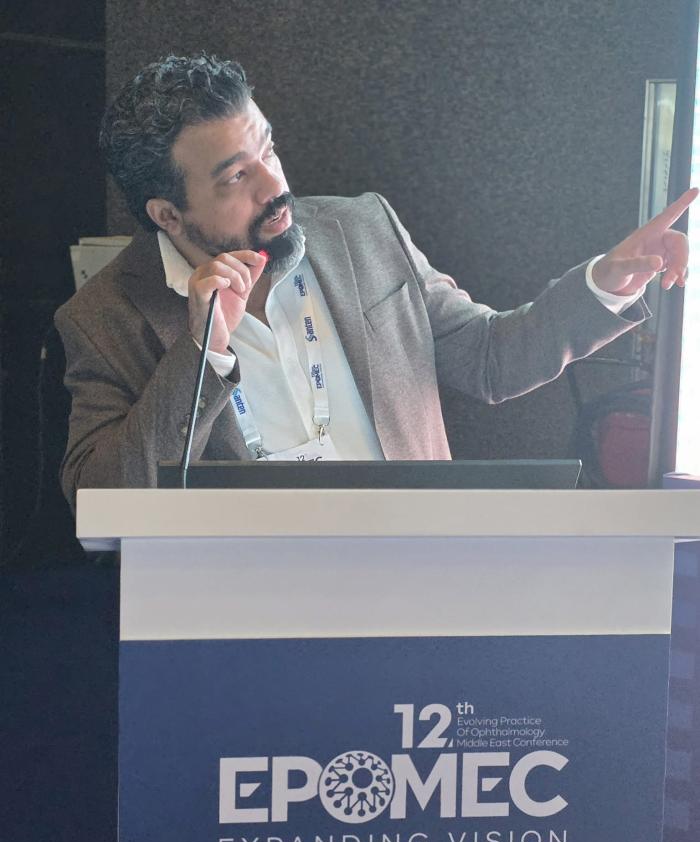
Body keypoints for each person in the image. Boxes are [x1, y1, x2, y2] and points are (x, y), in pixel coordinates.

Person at [55, 52, 695, 510]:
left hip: (417, 572)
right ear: (168, 215)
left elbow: (490, 358)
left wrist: (608, 282)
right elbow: (101, 498)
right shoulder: (104, 316)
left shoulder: (362, 228)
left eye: (268, 151)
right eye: (236, 177)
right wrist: (202, 352)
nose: (275, 185)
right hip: (247, 606)